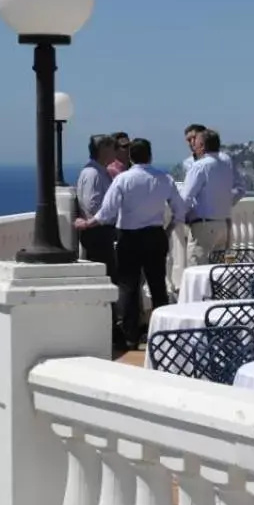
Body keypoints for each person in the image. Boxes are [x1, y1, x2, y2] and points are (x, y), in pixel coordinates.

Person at [76, 138, 186, 351]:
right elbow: (179, 210)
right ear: (150, 155)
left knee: (128, 287)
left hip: (129, 237)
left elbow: (107, 211)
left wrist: (88, 223)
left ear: (131, 157)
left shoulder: (123, 180)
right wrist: (169, 228)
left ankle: (130, 337)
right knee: (158, 286)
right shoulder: (165, 178)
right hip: (155, 236)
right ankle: (163, 334)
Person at [180, 128, 241, 265]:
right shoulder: (226, 162)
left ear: (202, 145)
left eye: (195, 142)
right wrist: (224, 203)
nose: (193, 145)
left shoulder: (199, 166)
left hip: (203, 225)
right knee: (219, 270)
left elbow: (186, 198)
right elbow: (240, 188)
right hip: (223, 223)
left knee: (198, 267)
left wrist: (181, 216)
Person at [75, 134, 121, 285]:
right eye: (113, 148)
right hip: (97, 233)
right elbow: (92, 206)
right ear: (103, 149)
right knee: (105, 277)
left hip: (102, 231)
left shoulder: (100, 171)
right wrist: (111, 212)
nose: (116, 152)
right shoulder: (93, 173)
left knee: (111, 276)